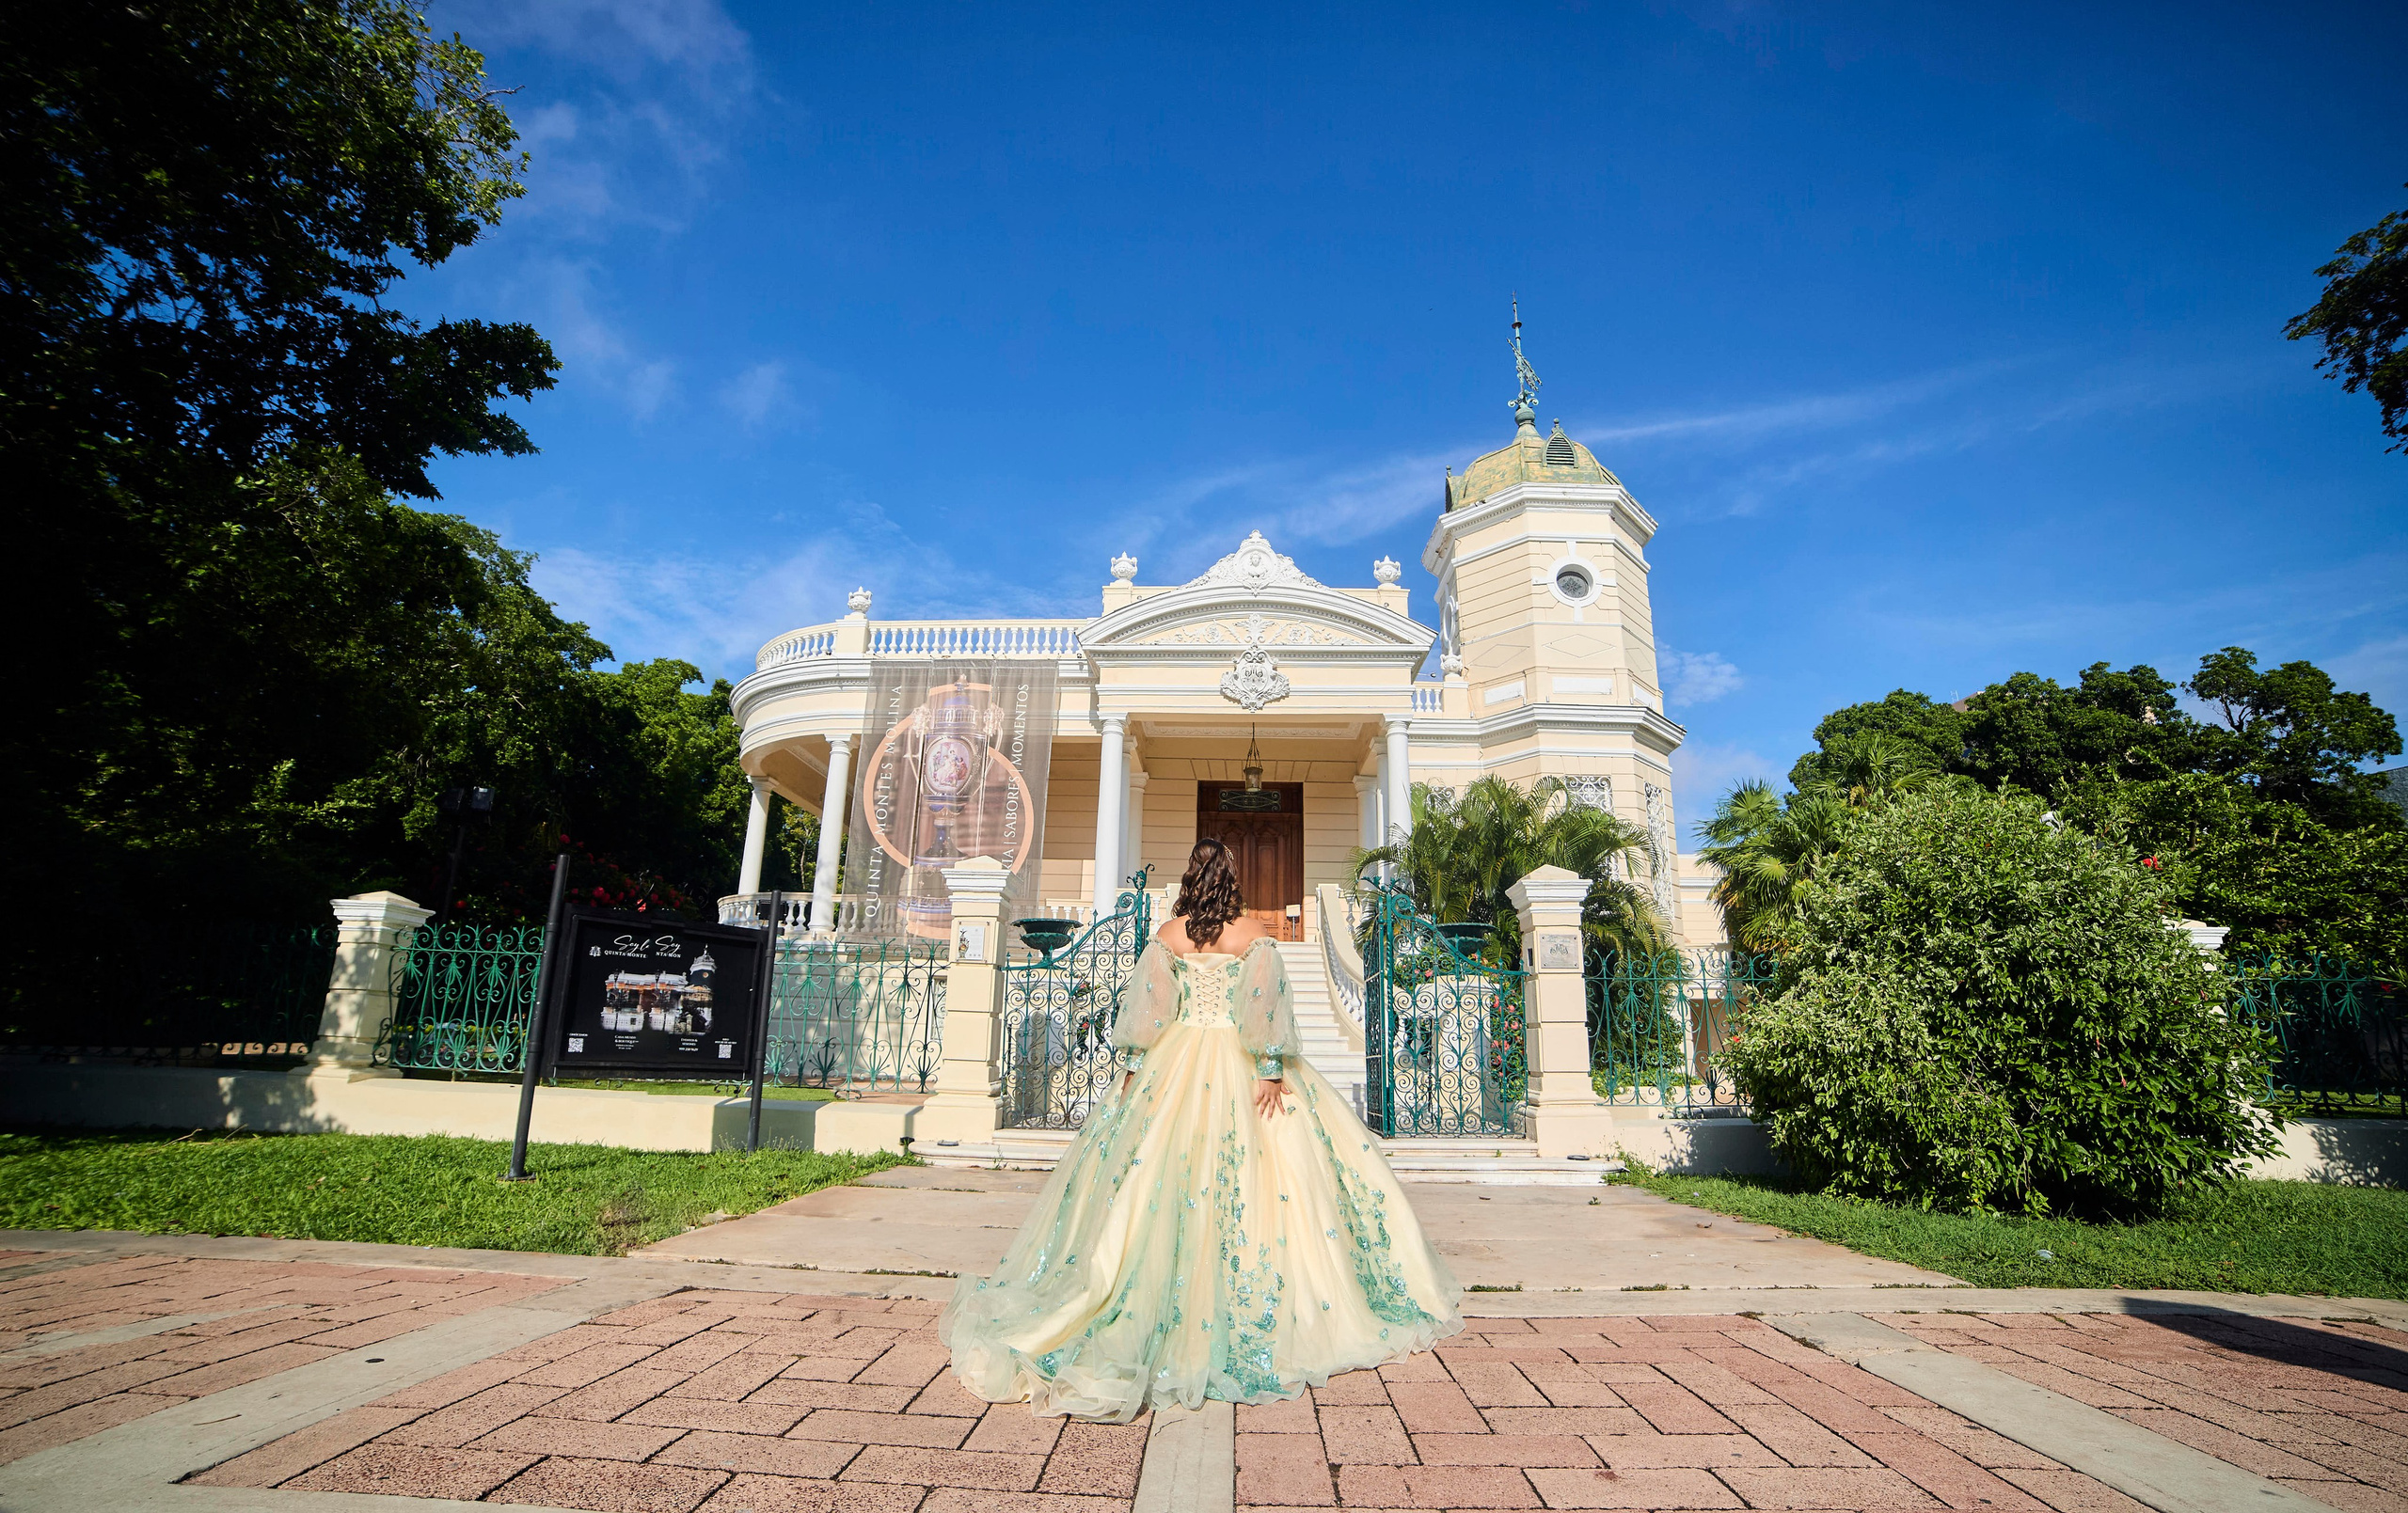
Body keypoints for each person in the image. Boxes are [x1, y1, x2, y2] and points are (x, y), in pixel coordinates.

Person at [940, 837, 1463, 1422]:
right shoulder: (1252, 934)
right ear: (1231, 880)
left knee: (1151, 1176)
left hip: (1177, 1059)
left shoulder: (1169, 935)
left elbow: (1150, 1011)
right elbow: (1263, 1008)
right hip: (1237, 1058)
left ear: (1191, 877)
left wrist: (1134, 1070)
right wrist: (1269, 1071)